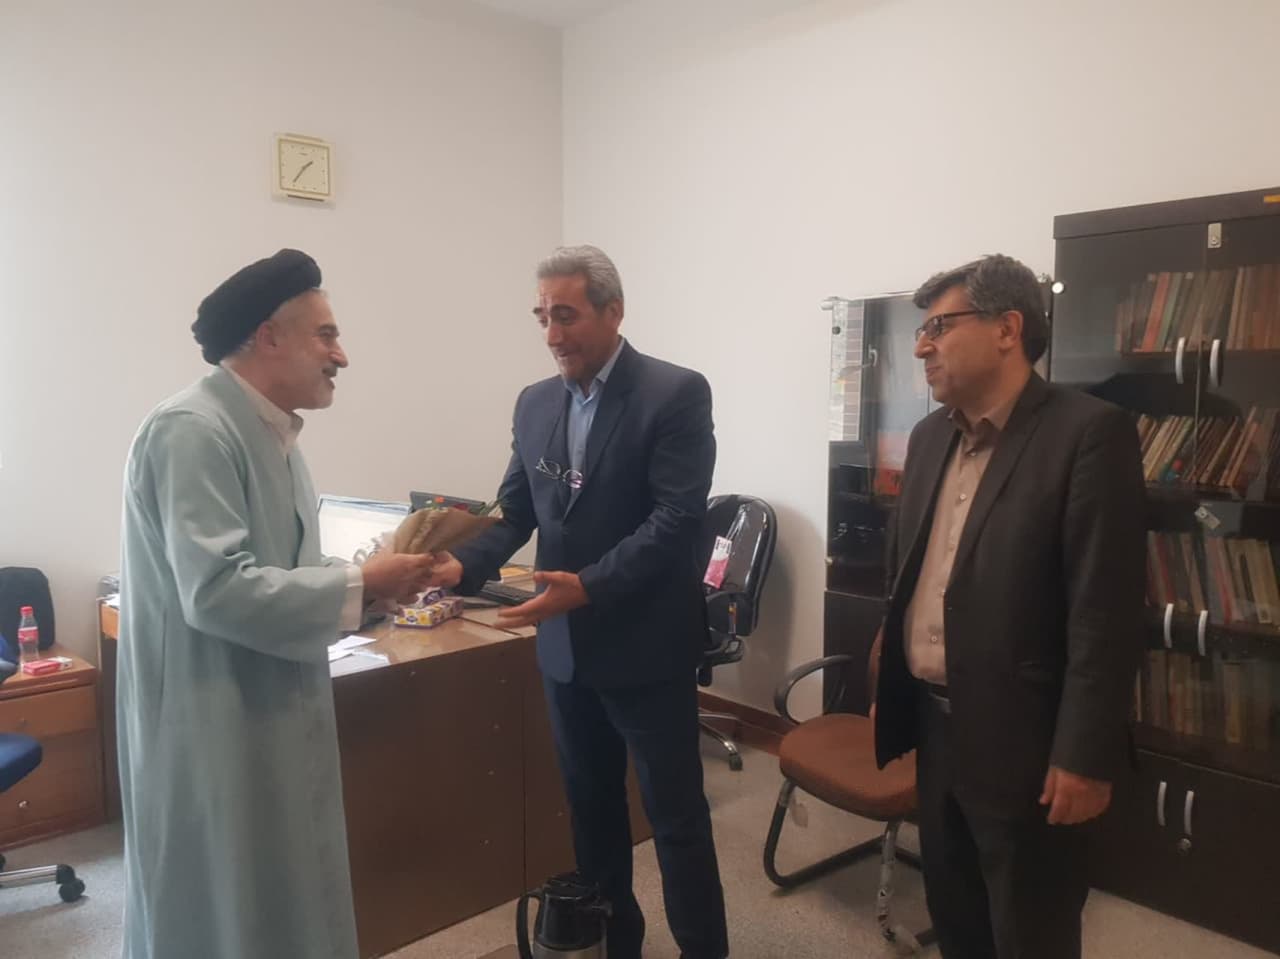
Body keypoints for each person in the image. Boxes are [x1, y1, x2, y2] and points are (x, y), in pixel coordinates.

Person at [116, 249, 436, 959]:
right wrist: (362, 584)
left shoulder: (275, 434)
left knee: (282, 889)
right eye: (327, 335)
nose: (341, 355)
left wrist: (379, 584)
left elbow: (287, 568)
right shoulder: (192, 429)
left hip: (268, 704)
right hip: (209, 718)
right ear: (269, 336)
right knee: (221, 905)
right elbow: (217, 589)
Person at [428, 245, 729, 959]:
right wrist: (458, 564)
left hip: (647, 647)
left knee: (676, 820)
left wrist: (587, 584)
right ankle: (615, 945)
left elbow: (676, 518)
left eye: (565, 315)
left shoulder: (675, 392)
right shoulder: (535, 402)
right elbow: (516, 510)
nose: (552, 334)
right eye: (542, 317)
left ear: (613, 311)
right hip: (566, 653)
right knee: (592, 814)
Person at [873, 254, 1146, 959]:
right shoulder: (929, 437)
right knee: (957, 920)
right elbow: (909, 577)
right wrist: (889, 683)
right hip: (937, 732)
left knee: (1031, 934)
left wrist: (1083, 756)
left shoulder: (1088, 433)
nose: (920, 347)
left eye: (938, 326)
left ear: (1007, 329)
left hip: (1029, 746)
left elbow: (1105, 613)